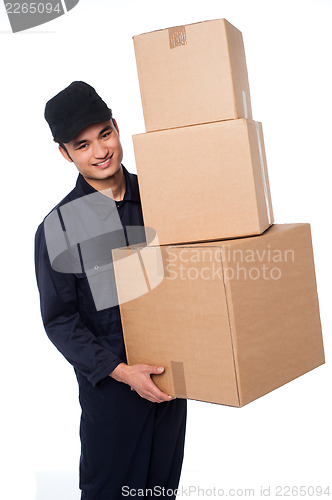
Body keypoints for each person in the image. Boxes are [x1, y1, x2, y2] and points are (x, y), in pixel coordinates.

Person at [34, 81, 187, 499]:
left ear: (117, 128)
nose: (100, 151)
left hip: (170, 382)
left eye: (104, 134)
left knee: (161, 491)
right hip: (112, 391)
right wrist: (123, 373)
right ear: (65, 153)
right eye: (81, 145)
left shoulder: (161, 198)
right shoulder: (60, 226)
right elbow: (60, 321)